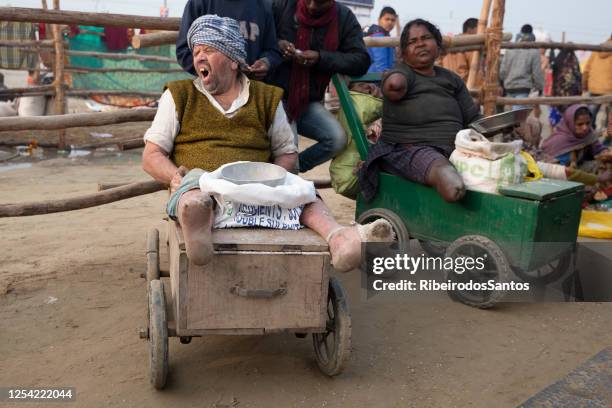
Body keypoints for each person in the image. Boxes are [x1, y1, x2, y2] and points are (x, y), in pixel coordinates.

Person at [142, 15, 392, 272]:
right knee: (193, 193)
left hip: (256, 189)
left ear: (232, 60)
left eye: (208, 50)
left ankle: (339, 238)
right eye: (196, 52)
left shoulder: (267, 97)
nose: (199, 58)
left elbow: (286, 152)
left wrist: (276, 177)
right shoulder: (178, 95)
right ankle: (198, 230)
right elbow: (151, 155)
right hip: (205, 187)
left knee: (303, 192)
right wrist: (175, 177)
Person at [359, 19, 482, 203]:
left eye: (426, 38)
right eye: (412, 42)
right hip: (409, 150)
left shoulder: (452, 79)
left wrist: (500, 126)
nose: (420, 44)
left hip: (455, 149)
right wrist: (394, 80)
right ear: (404, 52)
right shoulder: (403, 73)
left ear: (438, 43)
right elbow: (393, 85)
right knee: (452, 185)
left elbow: (472, 118)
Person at [270, 0, 371, 173]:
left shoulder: (343, 17)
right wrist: (278, 45)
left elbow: (361, 60)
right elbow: (262, 38)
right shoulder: (282, 5)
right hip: (274, 97)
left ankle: (285, 170)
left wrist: (321, 58)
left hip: (307, 101)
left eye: (319, 3)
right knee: (289, 149)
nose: (311, 6)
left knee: (337, 139)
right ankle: (286, 171)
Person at [175, 0, 283, 80]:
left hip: (251, 90)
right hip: (210, 90)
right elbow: (184, 51)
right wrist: (210, 72)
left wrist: (266, 62)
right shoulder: (199, 3)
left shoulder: (263, 5)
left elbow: (272, 50)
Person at [540, 104, 610, 186]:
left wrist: (605, 152)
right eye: (580, 124)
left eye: (587, 123)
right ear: (570, 123)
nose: (585, 128)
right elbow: (562, 172)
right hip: (560, 180)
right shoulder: (560, 142)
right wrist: (598, 179)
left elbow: (598, 148)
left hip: (579, 170)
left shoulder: (588, 134)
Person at [499, 24, 544, 110]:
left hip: (508, 88)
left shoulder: (510, 49)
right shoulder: (534, 51)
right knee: (518, 118)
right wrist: (540, 87)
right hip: (523, 89)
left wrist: (502, 83)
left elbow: (502, 71)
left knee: (508, 118)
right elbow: (537, 73)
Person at [582, 34, 612, 128]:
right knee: (610, 117)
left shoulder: (598, 48)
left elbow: (586, 69)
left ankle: (588, 135)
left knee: (590, 115)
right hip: (610, 88)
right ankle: (608, 139)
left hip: (594, 86)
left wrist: (584, 84)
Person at [438, 17, 479, 83]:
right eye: (480, 29)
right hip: (465, 87)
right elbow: (476, 72)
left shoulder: (449, 45)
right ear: (470, 30)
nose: (483, 33)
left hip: (447, 85)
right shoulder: (472, 46)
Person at [363, 6, 398, 73]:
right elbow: (380, 64)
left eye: (393, 20)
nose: (390, 22)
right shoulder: (377, 34)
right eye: (387, 19)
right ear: (379, 20)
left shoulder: (386, 35)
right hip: (371, 77)